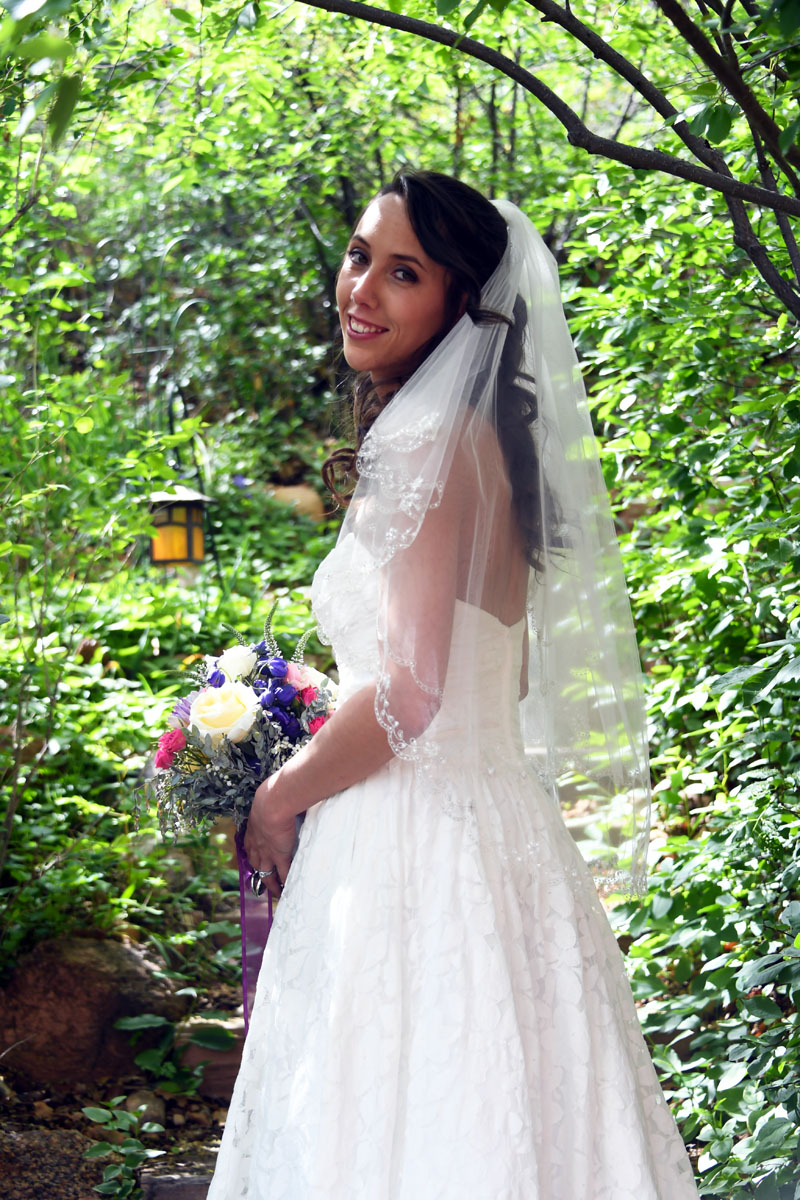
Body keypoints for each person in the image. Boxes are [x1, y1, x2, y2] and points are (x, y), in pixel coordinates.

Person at [206, 170, 700, 1199]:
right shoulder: (494, 447)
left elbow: (409, 700)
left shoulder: (427, 441)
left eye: (403, 273)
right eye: (358, 257)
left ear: (460, 301)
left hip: (410, 845)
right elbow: (473, 673)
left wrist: (275, 794)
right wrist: (310, 695)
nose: (362, 290)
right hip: (493, 828)